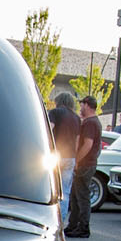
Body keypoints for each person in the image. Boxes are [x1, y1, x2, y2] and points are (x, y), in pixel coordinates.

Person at [66, 96, 102, 238]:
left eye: (81, 105)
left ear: (87, 105)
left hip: (85, 164)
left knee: (82, 196)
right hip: (88, 163)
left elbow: (88, 144)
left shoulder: (90, 123)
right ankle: (74, 225)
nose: (80, 108)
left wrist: (77, 160)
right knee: (76, 196)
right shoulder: (92, 122)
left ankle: (83, 227)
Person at [48, 91, 79, 224]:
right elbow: (77, 140)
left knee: (51, 187)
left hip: (56, 155)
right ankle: (61, 219)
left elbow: (49, 129)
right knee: (65, 190)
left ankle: (50, 218)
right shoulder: (76, 118)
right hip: (70, 157)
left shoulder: (55, 113)